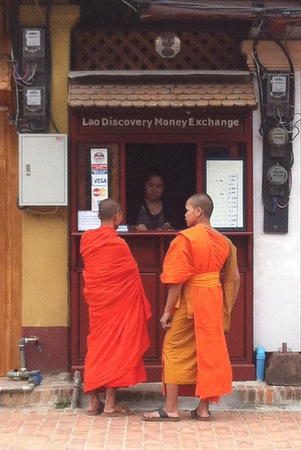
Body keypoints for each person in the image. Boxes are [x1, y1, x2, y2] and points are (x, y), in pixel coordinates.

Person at [143, 193, 240, 422]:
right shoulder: (224, 241)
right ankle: (203, 409)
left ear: (199, 212)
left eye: (187, 210)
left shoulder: (186, 239)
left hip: (190, 301)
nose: (185, 214)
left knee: (173, 348)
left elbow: (177, 279)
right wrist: (226, 307)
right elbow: (235, 278)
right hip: (213, 300)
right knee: (209, 352)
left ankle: (172, 408)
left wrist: (167, 311)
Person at [80, 198, 151, 416]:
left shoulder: (86, 239)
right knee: (117, 348)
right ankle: (109, 404)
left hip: (99, 305)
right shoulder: (118, 244)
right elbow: (131, 274)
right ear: (117, 217)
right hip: (118, 306)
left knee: (97, 346)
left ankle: (93, 402)